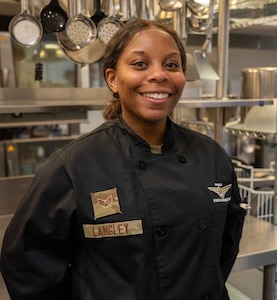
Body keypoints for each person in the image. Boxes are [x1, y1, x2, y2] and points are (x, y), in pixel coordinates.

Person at [0, 19, 245, 300]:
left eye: (171, 64)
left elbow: (224, 249)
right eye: (140, 64)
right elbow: (27, 265)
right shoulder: (74, 165)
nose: (159, 74)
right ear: (113, 79)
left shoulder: (212, 156)